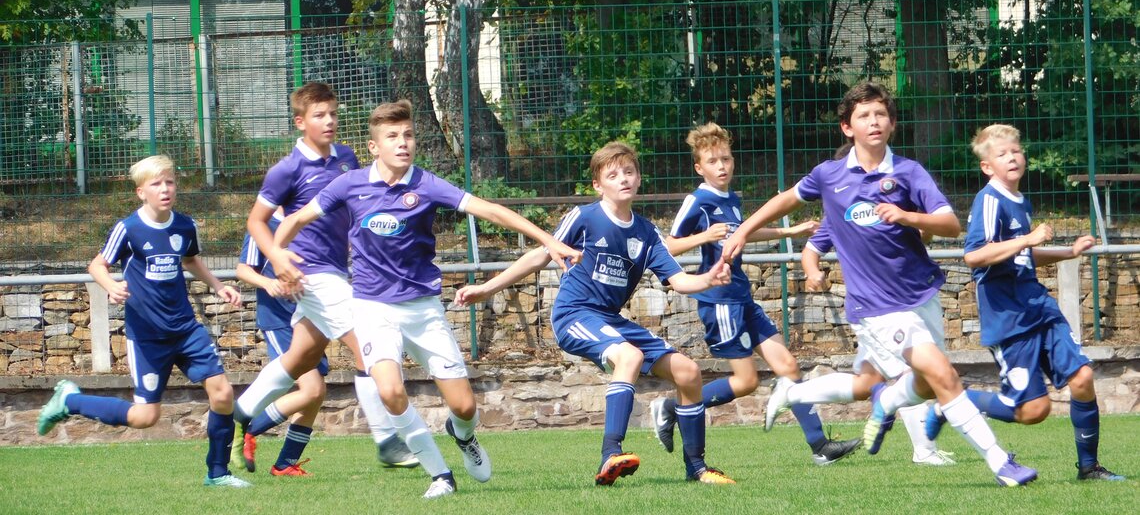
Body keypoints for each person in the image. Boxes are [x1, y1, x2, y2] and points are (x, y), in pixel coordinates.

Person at [721, 81, 1037, 486]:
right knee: (942, 375)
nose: (874, 121)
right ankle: (1000, 462)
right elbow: (786, 200)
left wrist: (908, 216)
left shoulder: (909, 172)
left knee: (901, 385)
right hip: (875, 307)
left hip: (920, 293)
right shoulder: (829, 175)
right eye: (864, 115)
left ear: (891, 124)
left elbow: (950, 224)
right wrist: (743, 231)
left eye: (881, 114)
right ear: (847, 127)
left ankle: (822, 395)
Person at [270, 99, 581, 499]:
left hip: (422, 308)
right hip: (372, 308)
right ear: (373, 146)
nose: (403, 143)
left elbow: (489, 211)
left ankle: (462, 435)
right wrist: (278, 257)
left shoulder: (427, 184)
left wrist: (548, 240)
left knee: (464, 407)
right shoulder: (350, 184)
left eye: (408, 135)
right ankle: (441, 475)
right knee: (389, 390)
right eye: (392, 136)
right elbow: (295, 219)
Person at [456, 141, 737, 486]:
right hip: (574, 314)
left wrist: (708, 278)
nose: (623, 179)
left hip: (610, 319)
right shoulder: (585, 217)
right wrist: (487, 288)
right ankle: (610, 455)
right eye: (613, 175)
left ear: (639, 179)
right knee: (630, 356)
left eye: (629, 172)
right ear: (597, 184)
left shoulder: (647, 232)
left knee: (688, 372)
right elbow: (539, 256)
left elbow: (678, 281)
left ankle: (697, 468)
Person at [649, 122, 862, 466]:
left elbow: (742, 233)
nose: (722, 166)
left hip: (742, 297)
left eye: (726, 159)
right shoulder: (698, 200)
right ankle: (672, 407)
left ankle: (821, 446)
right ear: (699, 168)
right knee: (746, 381)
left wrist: (789, 231)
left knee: (787, 365)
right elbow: (667, 246)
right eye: (713, 161)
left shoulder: (731, 198)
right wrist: (703, 237)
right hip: (719, 302)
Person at [922, 124, 1125, 481]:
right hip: (1009, 320)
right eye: (1002, 154)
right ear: (987, 166)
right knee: (1033, 411)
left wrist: (1067, 252)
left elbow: (1022, 256)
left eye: (1016, 151)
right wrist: (1028, 239)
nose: (1012, 157)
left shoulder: (1020, 200)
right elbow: (975, 256)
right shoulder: (989, 200)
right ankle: (952, 403)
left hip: (1039, 307)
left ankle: (1089, 467)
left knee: (1082, 377)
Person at [230, 81, 414, 474]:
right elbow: (256, 222)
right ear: (300, 122)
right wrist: (278, 257)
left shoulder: (346, 157)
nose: (329, 120)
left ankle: (238, 414)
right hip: (311, 274)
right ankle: (387, 440)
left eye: (333, 113)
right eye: (319, 115)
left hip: (335, 271)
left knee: (301, 358)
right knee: (368, 347)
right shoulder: (287, 170)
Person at [37, 155, 250, 488]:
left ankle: (218, 473)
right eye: (156, 184)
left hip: (186, 329)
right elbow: (97, 266)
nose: (165, 189)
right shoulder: (128, 228)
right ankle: (69, 400)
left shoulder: (185, 225)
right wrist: (111, 286)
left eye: (170, 182)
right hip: (148, 336)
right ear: (141, 192)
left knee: (222, 393)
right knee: (145, 417)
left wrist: (218, 285)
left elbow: (191, 260)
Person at [232, 210, 420, 476]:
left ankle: (284, 462)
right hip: (279, 317)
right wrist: (269, 283)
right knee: (313, 388)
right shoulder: (264, 224)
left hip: (315, 309)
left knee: (316, 393)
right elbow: (243, 269)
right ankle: (246, 427)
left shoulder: (316, 217)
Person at [799, 221, 956, 466]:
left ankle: (791, 392)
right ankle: (924, 451)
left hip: (916, 294)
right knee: (910, 371)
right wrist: (812, 272)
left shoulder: (897, 202)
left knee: (870, 382)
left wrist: (921, 227)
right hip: (878, 306)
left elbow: (921, 236)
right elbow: (811, 249)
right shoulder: (842, 207)